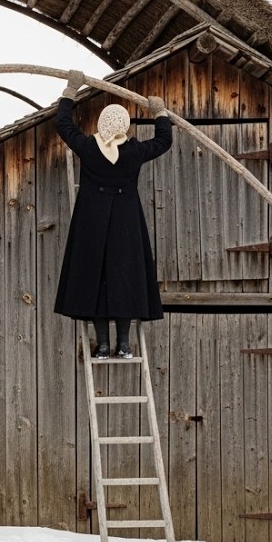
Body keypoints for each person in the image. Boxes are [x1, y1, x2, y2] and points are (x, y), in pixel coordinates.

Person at [53, 70, 173, 360]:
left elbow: (63, 124)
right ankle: (124, 345)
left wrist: (71, 90)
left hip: (91, 222)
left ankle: (103, 346)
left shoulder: (88, 148)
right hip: (125, 222)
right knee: (124, 277)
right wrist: (159, 113)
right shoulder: (134, 152)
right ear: (125, 126)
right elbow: (163, 141)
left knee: (95, 277)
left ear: (101, 125)